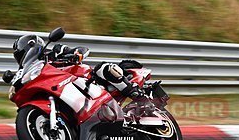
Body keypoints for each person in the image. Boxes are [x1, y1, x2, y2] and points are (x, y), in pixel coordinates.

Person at [11, 34, 143, 99]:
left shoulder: (55, 52)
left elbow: (82, 49)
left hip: (85, 79)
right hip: (61, 91)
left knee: (105, 68)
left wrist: (76, 54)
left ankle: (135, 93)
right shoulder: (28, 71)